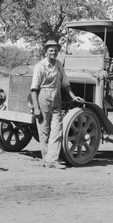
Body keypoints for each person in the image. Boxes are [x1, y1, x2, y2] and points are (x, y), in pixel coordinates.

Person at [30, 40, 84, 169]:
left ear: (57, 52)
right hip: (44, 98)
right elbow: (34, 89)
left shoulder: (59, 65)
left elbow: (66, 84)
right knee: (44, 130)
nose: (53, 52)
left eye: (55, 50)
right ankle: (47, 159)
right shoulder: (40, 66)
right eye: (50, 50)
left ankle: (53, 159)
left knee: (57, 129)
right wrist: (36, 108)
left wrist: (73, 96)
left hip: (57, 99)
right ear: (46, 52)